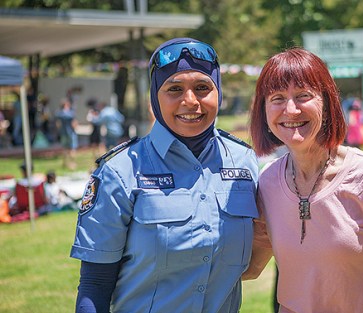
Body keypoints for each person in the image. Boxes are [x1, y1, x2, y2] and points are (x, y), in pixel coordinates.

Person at [70, 37, 259, 313]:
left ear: (218, 92)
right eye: (175, 89)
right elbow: (95, 285)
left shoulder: (245, 163)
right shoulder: (120, 171)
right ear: (154, 97)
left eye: (203, 87)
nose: (190, 101)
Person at [244, 47, 363, 313]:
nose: (290, 109)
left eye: (303, 96)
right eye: (277, 98)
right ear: (264, 111)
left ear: (327, 104)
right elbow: (251, 267)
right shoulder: (266, 182)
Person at [55, 98, 78, 169]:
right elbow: (74, 124)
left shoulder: (59, 113)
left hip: (63, 133)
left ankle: (64, 163)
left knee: (65, 148)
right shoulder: (71, 113)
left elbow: (58, 124)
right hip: (71, 133)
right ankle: (72, 163)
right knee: (72, 148)